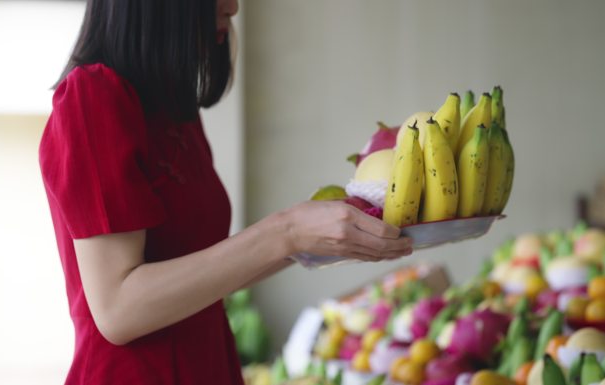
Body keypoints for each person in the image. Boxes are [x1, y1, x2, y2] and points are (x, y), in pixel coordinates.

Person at [38, 0, 413, 383]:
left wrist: (325, 236)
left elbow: (203, 269)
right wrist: (286, 231)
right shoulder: (93, 98)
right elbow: (117, 310)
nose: (232, 7)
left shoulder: (173, 108)